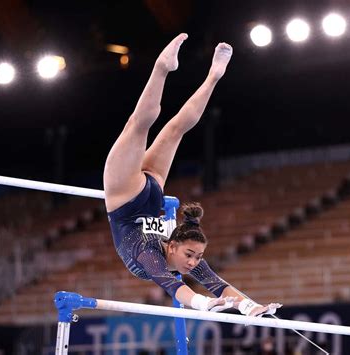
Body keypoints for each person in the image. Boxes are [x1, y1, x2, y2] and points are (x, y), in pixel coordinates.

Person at [104, 33, 281, 316]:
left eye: (196, 257)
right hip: (151, 190)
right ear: (176, 245)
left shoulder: (151, 256)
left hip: (123, 196)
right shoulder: (181, 253)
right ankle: (208, 75)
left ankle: (179, 71)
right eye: (192, 255)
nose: (194, 262)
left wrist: (233, 306)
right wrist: (235, 305)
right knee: (172, 129)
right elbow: (216, 287)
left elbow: (179, 288)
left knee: (138, 126)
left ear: (171, 247)